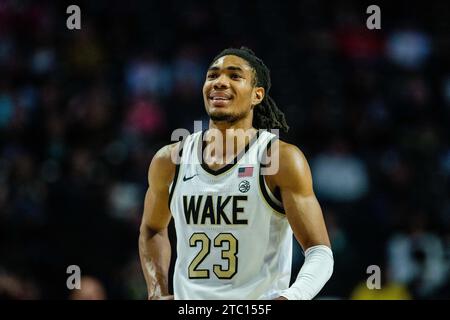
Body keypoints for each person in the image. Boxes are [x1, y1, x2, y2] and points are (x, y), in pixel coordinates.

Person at [139, 47, 334, 300]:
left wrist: (293, 297)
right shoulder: (169, 160)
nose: (219, 82)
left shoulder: (279, 159)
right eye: (212, 76)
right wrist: (157, 291)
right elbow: (152, 229)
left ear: (257, 95)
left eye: (234, 76)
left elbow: (320, 252)